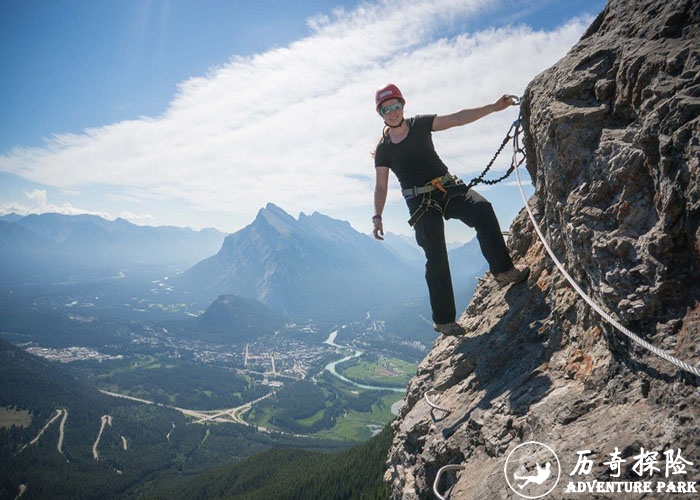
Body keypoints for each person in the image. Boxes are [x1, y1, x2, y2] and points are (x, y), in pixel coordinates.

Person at [371, 83, 529, 336]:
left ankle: (503, 271)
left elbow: (457, 119)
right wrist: (377, 216)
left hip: (447, 188)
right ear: (380, 114)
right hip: (421, 203)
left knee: (482, 209)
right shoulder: (384, 149)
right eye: (386, 109)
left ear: (403, 105)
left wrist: (494, 108)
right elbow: (381, 186)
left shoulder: (421, 125)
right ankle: (444, 320)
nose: (392, 112)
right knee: (436, 254)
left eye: (395, 106)